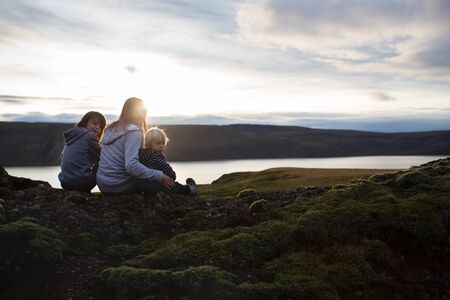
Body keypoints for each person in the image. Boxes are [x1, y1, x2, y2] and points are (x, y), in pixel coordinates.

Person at [96, 97, 175, 196]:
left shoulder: (112, 128)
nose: (143, 116)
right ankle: (186, 189)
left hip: (104, 185)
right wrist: (160, 176)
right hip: (120, 186)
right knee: (156, 180)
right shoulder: (134, 132)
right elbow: (131, 165)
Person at [58, 111, 106, 192]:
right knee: (104, 161)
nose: (98, 127)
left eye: (101, 126)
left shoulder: (73, 135)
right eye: (95, 123)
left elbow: (62, 155)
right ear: (85, 122)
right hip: (81, 184)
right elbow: (104, 155)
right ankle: (110, 190)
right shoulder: (90, 136)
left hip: (64, 182)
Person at [139, 127, 196, 195]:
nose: (161, 146)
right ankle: (190, 189)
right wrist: (172, 176)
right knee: (174, 186)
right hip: (157, 182)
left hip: (144, 184)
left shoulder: (141, 154)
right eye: (158, 143)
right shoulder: (157, 155)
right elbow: (167, 169)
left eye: (163, 143)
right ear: (149, 143)